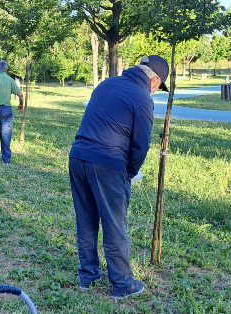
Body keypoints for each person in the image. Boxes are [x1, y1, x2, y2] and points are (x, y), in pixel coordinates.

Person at [68, 55, 169, 299]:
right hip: (107, 163)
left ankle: (87, 276)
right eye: (158, 86)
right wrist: (129, 174)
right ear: (154, 80)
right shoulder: (143, 99)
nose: (156, 91)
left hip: (78, 156)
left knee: (86, 220)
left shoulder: (106, 84)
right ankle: (123, 284)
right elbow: (140, 146)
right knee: (114, 225)